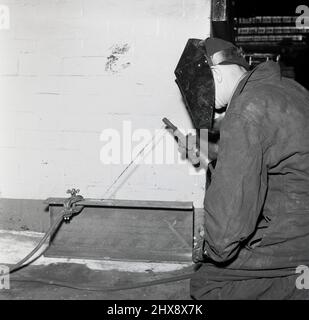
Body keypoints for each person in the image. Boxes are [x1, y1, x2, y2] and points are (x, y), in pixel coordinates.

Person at [176, 37, 309, 299]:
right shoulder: (288, 89)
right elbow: (268, 154)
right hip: (296, 212)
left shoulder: (245, 110)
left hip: (297, 233)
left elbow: (227, 228)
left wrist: (210, 249)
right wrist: (210, 153)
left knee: (208, 284)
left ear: (216, 74)